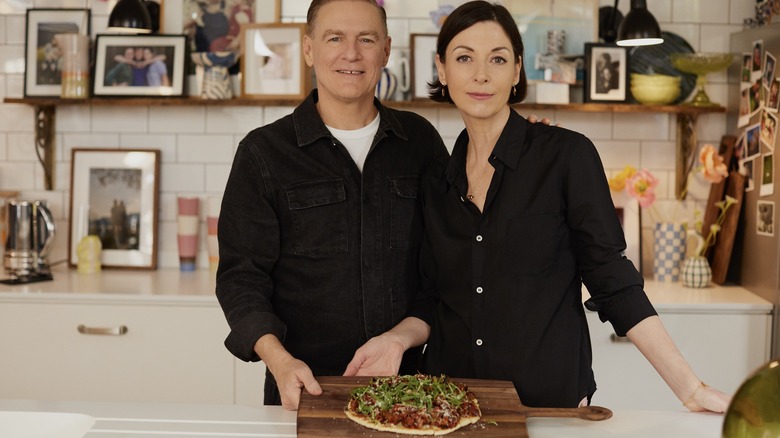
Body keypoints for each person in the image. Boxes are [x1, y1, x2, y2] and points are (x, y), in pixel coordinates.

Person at [344, 0, 731, 413]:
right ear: (442, 69)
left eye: (497, 58)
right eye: (463, 58)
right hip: (449, 404)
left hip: (549, 405)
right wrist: (395, 340)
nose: (480, 74)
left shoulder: (566, 157)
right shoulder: (437, 180)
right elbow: (431, 297)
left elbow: (612, 278)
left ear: (516, 70)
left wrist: (689, 387)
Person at [215, 0, 449, 411]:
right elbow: (241, 279)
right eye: (335, 38)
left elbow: (447, 265)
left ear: (386, 50)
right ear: (309, 49)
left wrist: (400, 339)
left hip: (411, 390)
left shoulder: (421, 143)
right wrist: (281, 362)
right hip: (305, 390)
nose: (351, 54)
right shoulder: (263, 153)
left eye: (366, 39)